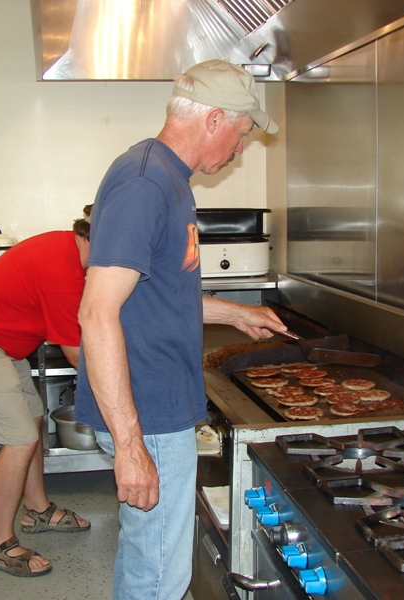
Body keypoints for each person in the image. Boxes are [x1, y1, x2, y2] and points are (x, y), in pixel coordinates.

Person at [75, 59, 285, 600]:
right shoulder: (146, 182)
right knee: (160, 575)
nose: (240, 149)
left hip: (155, 406)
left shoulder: (166, 177)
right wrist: (130, 446)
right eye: (242, 133)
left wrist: (236, 313)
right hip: (147, 413)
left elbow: (160, 294)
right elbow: (96, 313)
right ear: (214, 119)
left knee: (148, 557)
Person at [0, 212, 93, 578]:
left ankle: (36, 510)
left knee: (32, 419)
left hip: (1, 343)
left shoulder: (68, 246)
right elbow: (79, 358)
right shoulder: (64, 272)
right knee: (20, 439)